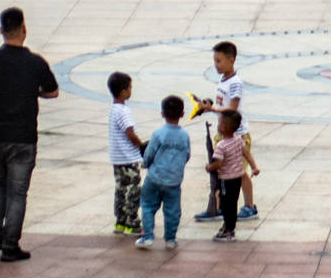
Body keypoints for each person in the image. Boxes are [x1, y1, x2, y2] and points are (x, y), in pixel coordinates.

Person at [0, 5, 59, 261]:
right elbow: (52, 91)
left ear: (1, 30)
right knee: (18, 192)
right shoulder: (36, 63)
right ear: (24, 30)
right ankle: (10, 244)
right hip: (23, 137)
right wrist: (35, 92)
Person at [196, 40, 259, 222]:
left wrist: (212, 110)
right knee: (221, 171)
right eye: (215, 61)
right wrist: (209, 105)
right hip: (224, 134)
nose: (216, 65)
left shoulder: (235, 83)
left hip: (237, 135)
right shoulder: (223, 80)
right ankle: (219, 206)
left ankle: (249, 206)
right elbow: (222, 104)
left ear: (231, 60)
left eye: (219, 61)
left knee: (239, 172)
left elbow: (232, 108)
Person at [136, 94, 191, 249]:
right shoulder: (184, 136)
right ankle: (170, 239)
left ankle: (147, 236)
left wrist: (146, 164)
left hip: (154, 177)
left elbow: (149, 152)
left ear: (162, 113)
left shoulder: (158, 133)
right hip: (174, 180)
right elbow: (186, 155)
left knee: (147, 205)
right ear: (182, 114)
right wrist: (178, 167)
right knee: (172, 210)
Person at [206, 108, 259, 243]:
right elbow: (247, 154)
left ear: (223, 127)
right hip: (237, 179)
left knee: (226, 205)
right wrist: (254, 167)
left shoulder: (221, 146)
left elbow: (218, 164)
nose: (217, 125)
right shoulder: (238, 140)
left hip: (226, 179)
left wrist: (209, 167)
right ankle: (230, 227)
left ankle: (229, 230)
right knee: (233, 203)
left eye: (219, 123)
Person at [105, 72, 143, 237]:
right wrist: (141, 145)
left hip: (117, 158)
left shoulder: (113, 109)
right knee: (133, 190)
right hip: (129, 158)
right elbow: (130, 133)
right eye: (130, 87)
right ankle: (132, 223)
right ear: (123, 91)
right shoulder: (124, 111)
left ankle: (120, 221)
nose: (131, 90)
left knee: (120, 190)